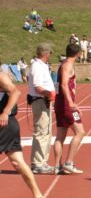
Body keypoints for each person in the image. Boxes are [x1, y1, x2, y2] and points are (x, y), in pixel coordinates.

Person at [1, 70, 46, 198]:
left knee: (17, 162)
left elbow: (15, 92)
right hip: (8, 125)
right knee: (17, 162)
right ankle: (38, 197)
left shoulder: (0, 76)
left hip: (4, 124)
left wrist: (5, 112)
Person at [53, 43, 86, 175]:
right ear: (78, 54)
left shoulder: (63, 64)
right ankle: (69, 163)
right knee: (80, 132)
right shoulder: (67, 65)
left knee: (60, 135)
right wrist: (71, 102)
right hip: (66, 105)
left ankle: (57, 166)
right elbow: (64, 84)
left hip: (61, 103)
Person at [27, 43, 56, 174]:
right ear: (46, 54)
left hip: (44, 101)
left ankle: (42, 161)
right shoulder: (37, 67)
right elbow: (38, 87)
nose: (51, 55)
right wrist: (50, 94)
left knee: (46, 132)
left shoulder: (41, 66)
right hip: (40, 101)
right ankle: (38, 163)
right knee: (41, 132)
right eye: (50, 53)